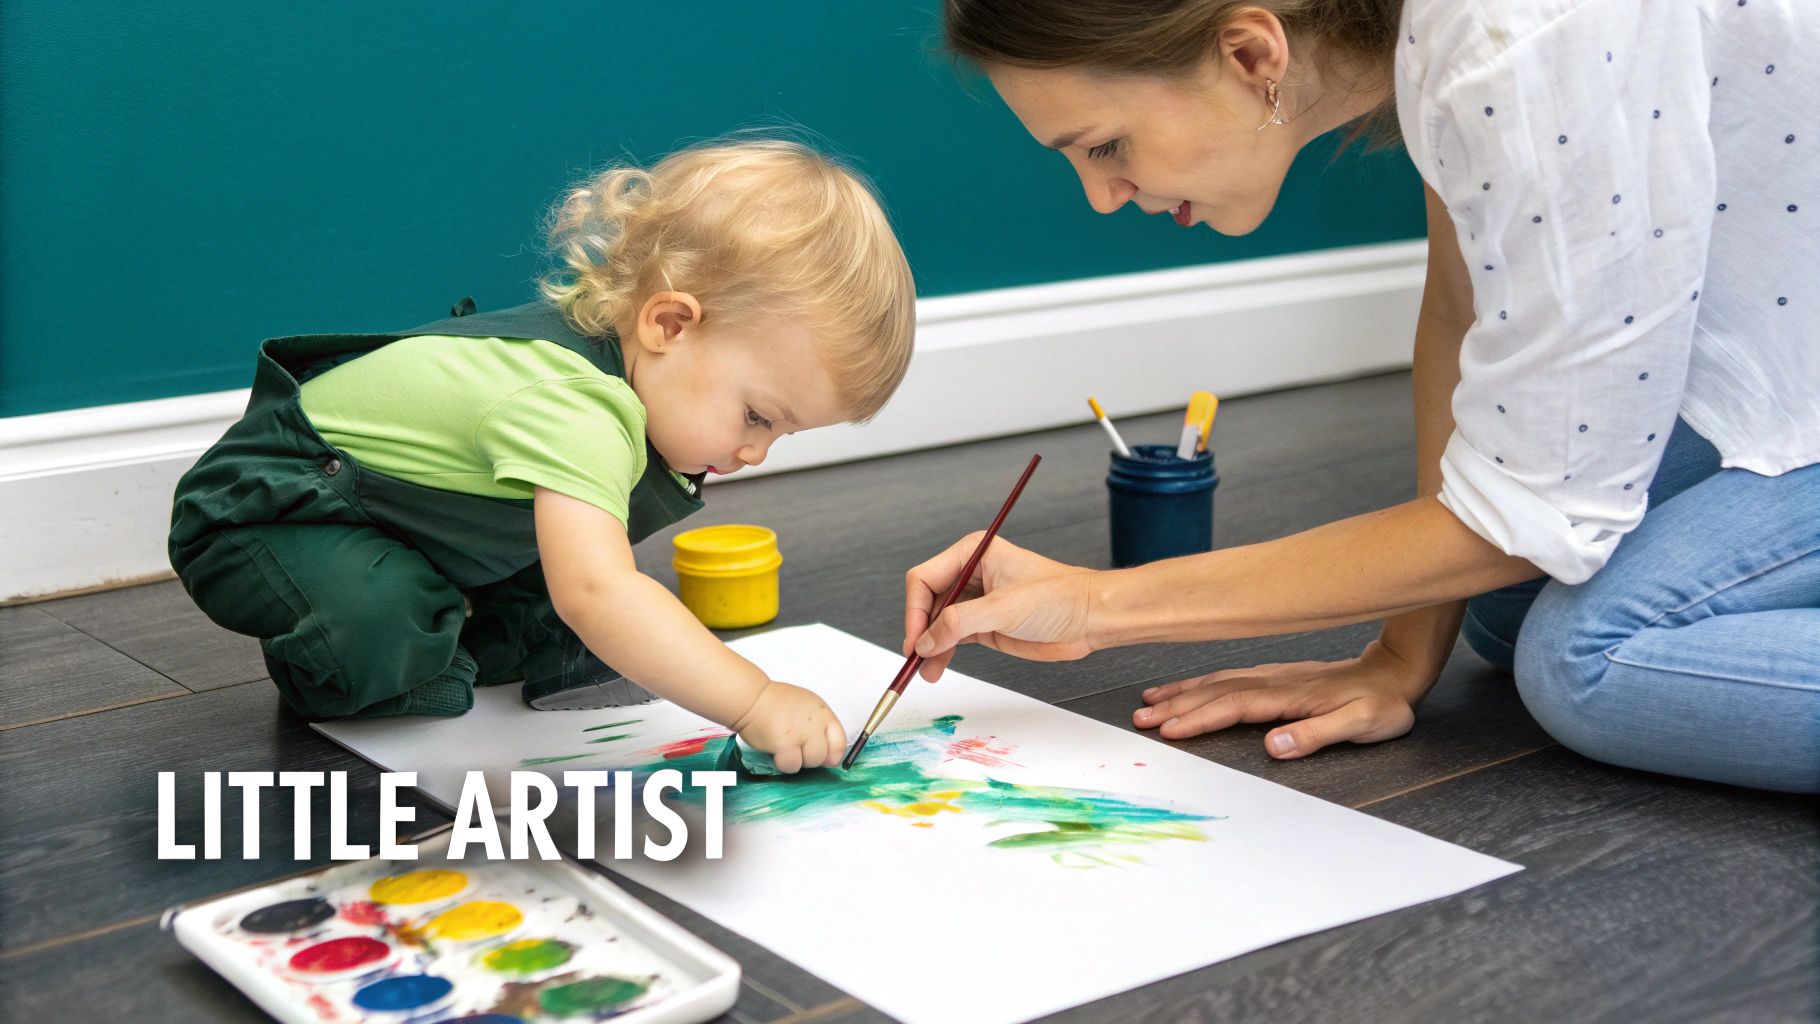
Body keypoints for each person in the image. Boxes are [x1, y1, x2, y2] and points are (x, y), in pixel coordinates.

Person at [907, 0, 1819, 792]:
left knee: (1587, 660)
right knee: (1506, 603)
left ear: (1253, 54)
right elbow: (1462, 311)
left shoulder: (1517, 42)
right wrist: (1401, 655)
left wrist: (1099, 606)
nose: (1101, 196)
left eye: (1104, 144)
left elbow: (1540, 505)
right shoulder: (1446, 39)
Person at [169, 138, 915, 773]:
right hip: (275, 511)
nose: (756, 453)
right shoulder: (574, 405)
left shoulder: (622, 371)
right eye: (757, 416)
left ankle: (456, 611)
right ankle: (353, 662)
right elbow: (598, 593)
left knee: (564, 600)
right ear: (668, 324)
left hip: (401, 513)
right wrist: (754, 698)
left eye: (782, 434)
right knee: (381, 627)